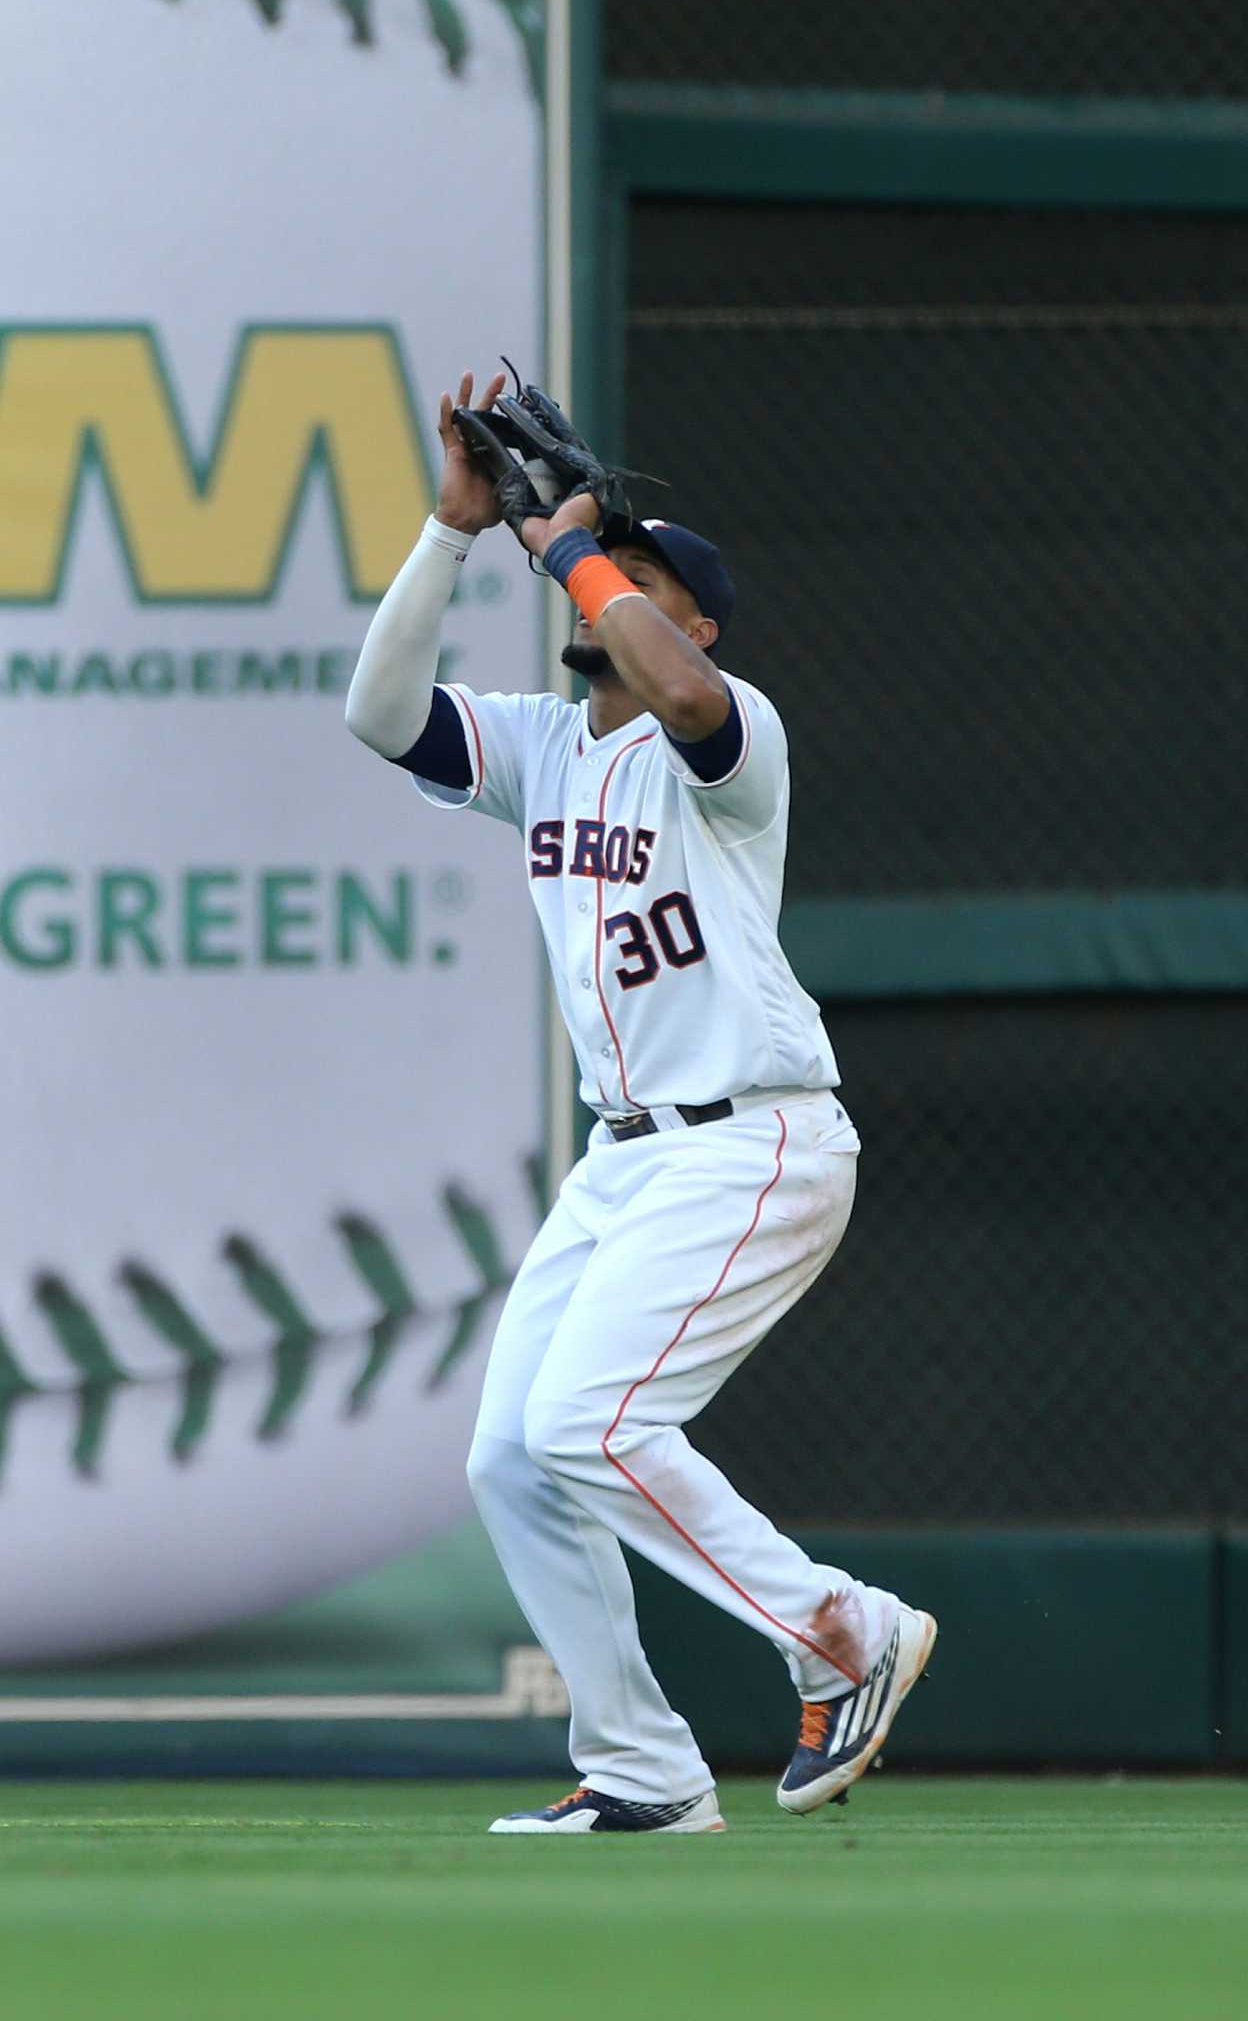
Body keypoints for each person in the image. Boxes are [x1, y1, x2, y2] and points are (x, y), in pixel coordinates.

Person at [345, 372, 936, 1835]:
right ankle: (644, 1769)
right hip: (629, 1164)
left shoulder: (734, 737)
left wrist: (571, 548)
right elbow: (381, 714)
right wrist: (455, 531)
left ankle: (842, 1631)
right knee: (513, 1454)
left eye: (648, 581)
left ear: (699, 622)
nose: (612, 589)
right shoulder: (549, 752)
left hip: (756, 1137)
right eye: (615, 571)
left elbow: (673, 685)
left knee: (597, 1423)